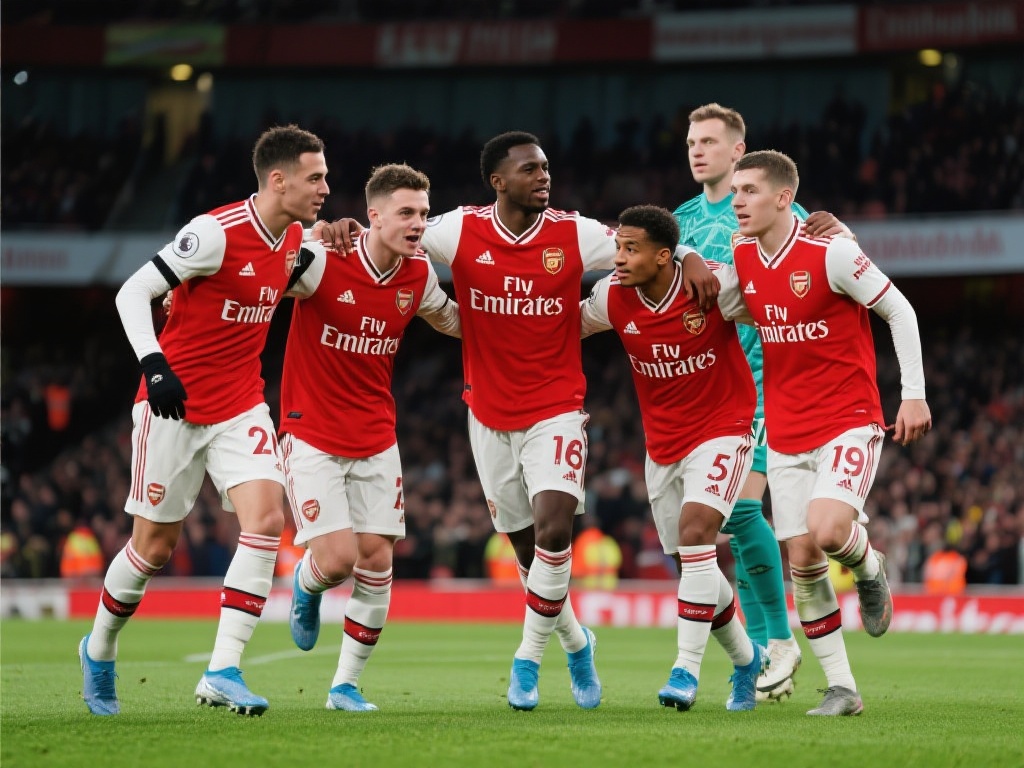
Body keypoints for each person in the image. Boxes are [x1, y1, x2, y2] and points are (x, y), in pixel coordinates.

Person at [321, 130, 719, 711]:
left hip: (556, 409)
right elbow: (389, 230)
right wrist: (340, 228)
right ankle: (577, 642)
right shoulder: (458, 230)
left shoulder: (574, 234)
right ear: (498, 181)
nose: (543, 176)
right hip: (488, 415)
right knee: (531, 556)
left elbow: (646, 241)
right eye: (530, 169)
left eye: (546, 167)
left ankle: (526, 662)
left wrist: (689, 256)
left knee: (556, 532)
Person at [78, 124, 329, 717]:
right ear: (278, 180)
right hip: (173, 405)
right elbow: (132, 292)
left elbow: (310, 271)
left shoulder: (295, 239)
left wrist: (338, 234)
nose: (325, 187)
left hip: (241, 405)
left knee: (266, 519)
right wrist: (155, 365)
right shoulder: (215, 233)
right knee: (153, 548)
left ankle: (223, 670)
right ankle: (100, 647)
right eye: (316, 177)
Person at [729, 150, 931, 716]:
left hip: (848, 420)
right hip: (784, 430)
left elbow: (901, 311)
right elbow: (737, 307)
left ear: (783, 198)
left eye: (749, 190)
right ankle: (843, 688)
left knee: (826, 530)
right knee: (803, 560)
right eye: (736, 190)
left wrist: (913, 394)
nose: (738, 200)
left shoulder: (832, 252)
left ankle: (869, 566)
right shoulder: (742, 255)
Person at [674, 103, 854, 702]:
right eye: (692, 142)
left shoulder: (779, 210)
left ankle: (778, 640)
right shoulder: (680, 221)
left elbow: (827, 263)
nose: (698, 151)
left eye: (709, 142)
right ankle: (763, 650)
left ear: (737, 150)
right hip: (709, 390)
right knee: (732, 523)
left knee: (744, 512)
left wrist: (847, 235)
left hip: (767, 384)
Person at [281, 163, 460, 712]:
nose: (418, 224)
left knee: (378, 560)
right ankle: (307, 584)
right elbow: (257, 271)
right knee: (337, 560)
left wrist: (519, 323)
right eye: (406, 213)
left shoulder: (419, 276)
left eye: (424, 213)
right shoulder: (323, 260)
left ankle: (345, 686)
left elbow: (452, 320)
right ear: (373, 216)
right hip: (311, 430)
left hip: (377, 435)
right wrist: (311, 231)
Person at [581, 204, 765, 711]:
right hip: (663, 446)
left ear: (663, 256)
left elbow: (778, 302)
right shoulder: (612, 296)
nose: (618, 258)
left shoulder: (712, 286)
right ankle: (748, 659)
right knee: (693, 564)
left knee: (696, 533)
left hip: (725, 428)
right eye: (617, 247)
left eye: (631, 249)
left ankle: (685, 670)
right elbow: (564, 327)